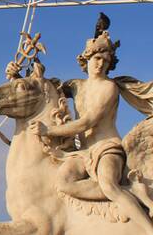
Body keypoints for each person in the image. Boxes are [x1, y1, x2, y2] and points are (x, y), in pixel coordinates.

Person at [25, 31, 153, 233]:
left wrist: (49, 130)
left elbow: (88, 122)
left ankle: (149, 229)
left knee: (109, 186)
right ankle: (133, 190)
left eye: (106, 60)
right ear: (87, 59)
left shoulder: (109, 87)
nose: (101, 63)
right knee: (62, 183)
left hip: (107, 148)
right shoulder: (76, 86)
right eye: (97, 58)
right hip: (82, 153)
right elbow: (45, 89)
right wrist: (21, 73)